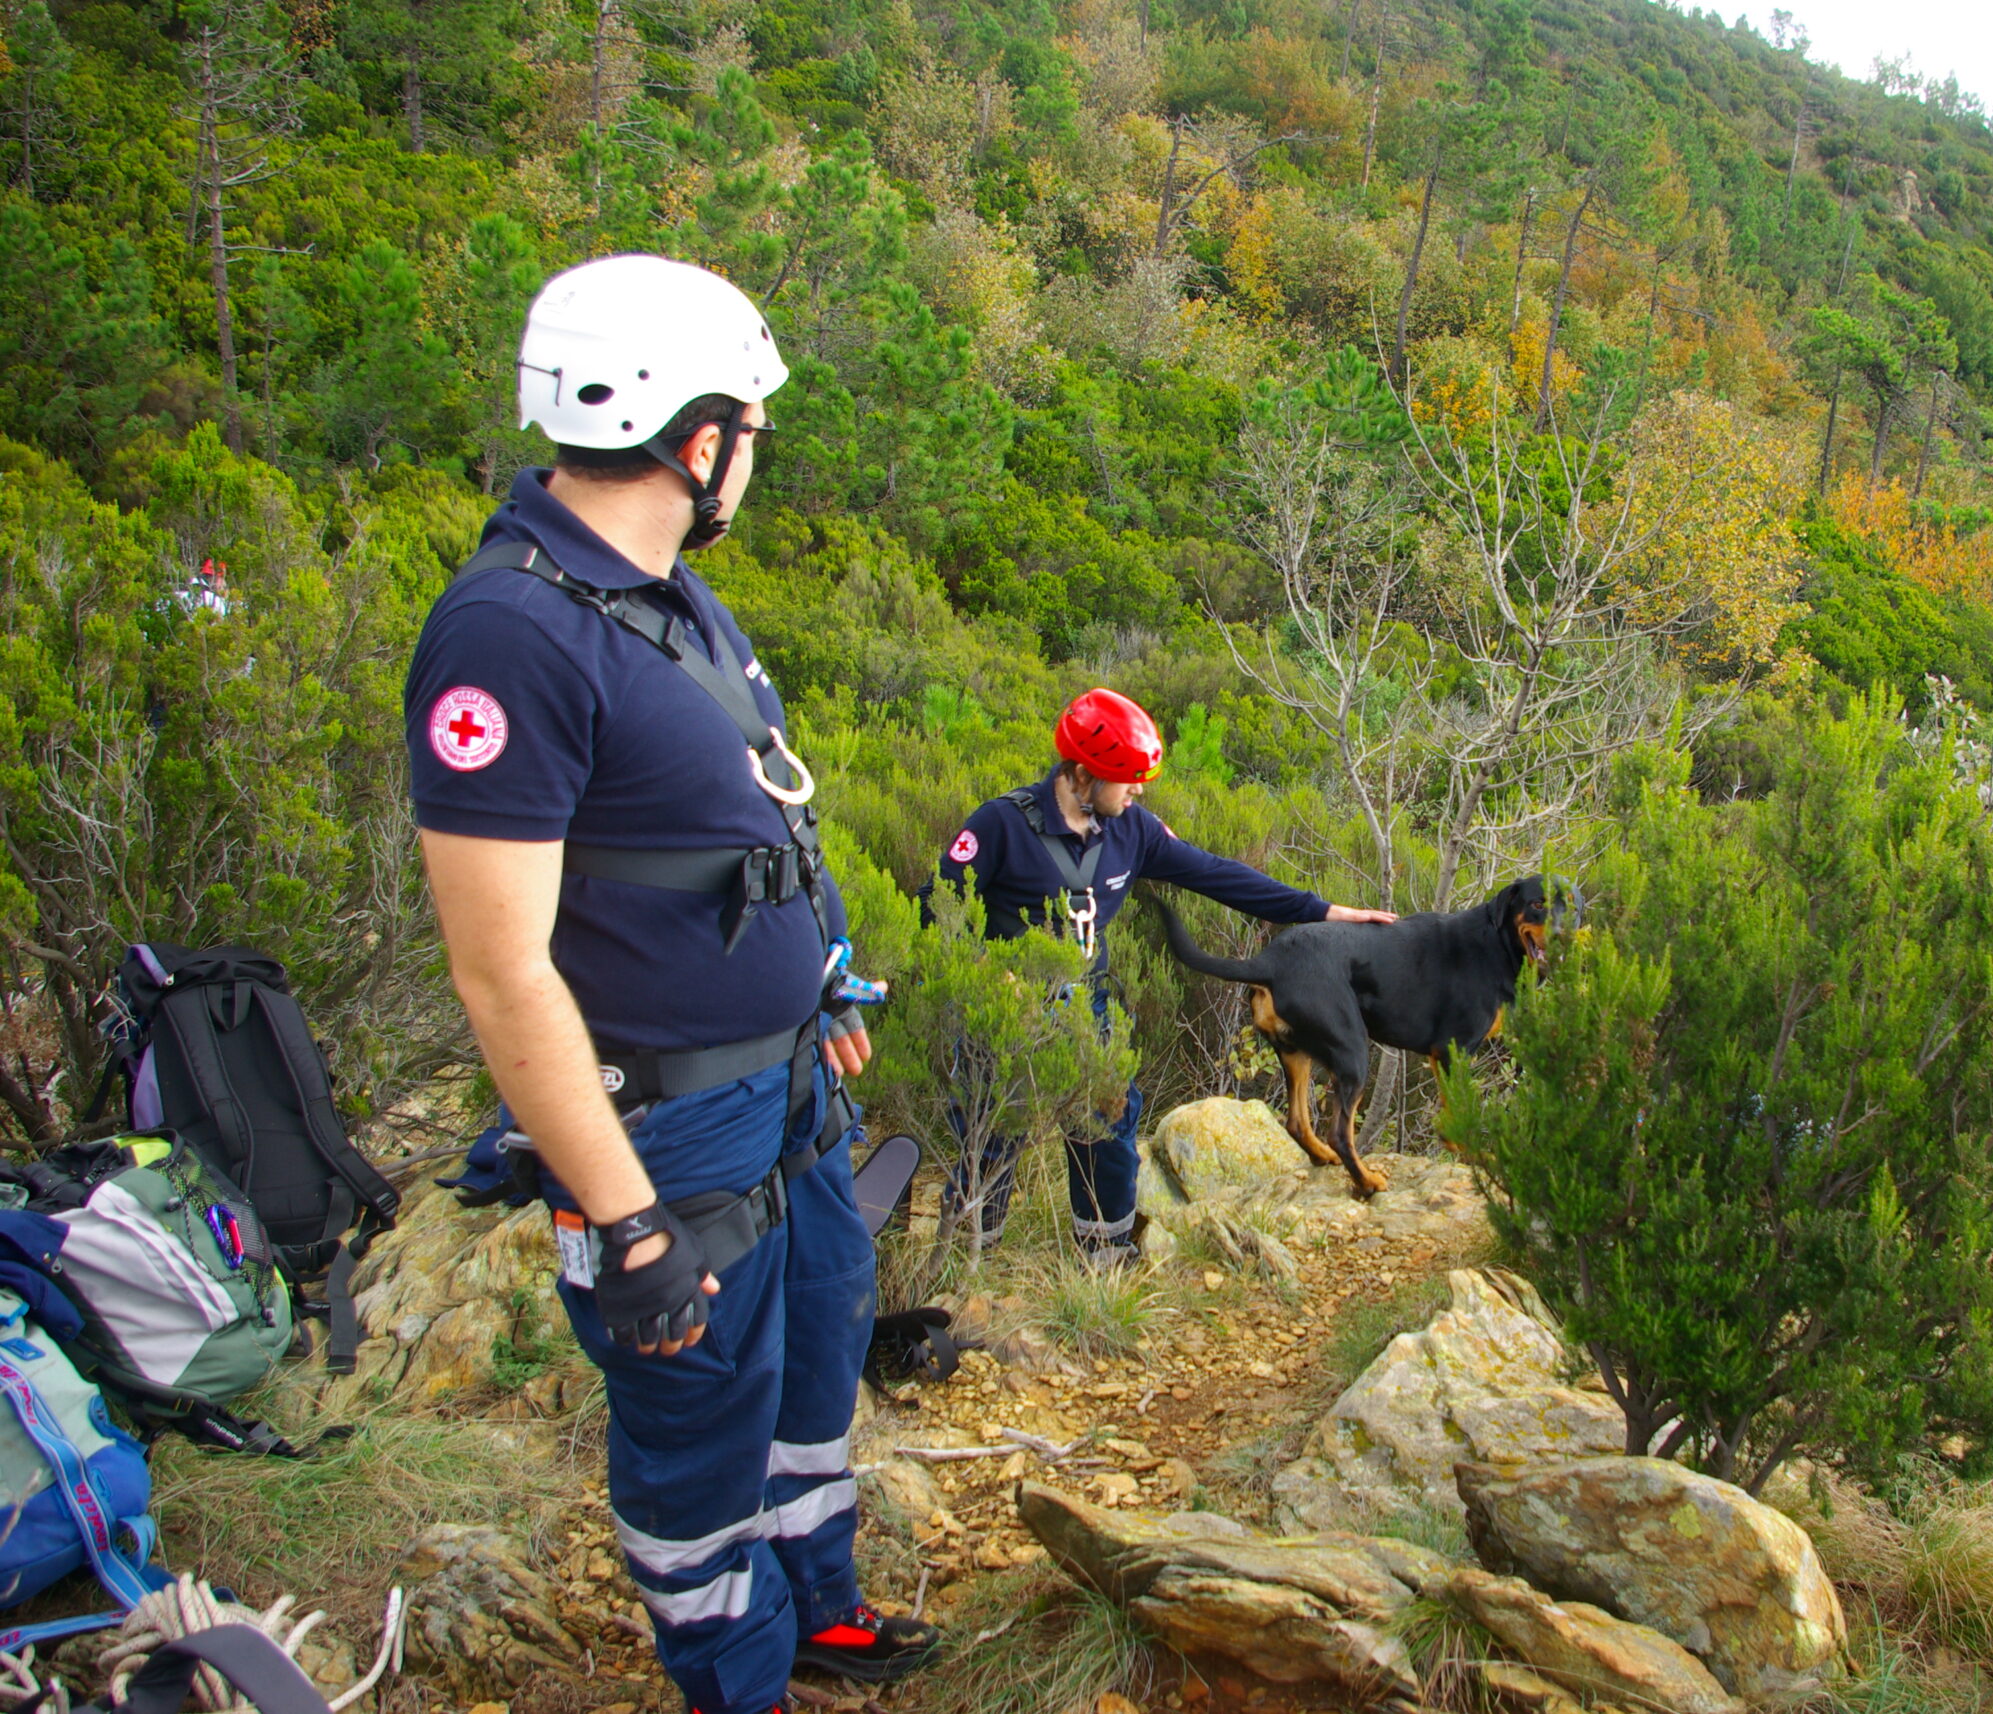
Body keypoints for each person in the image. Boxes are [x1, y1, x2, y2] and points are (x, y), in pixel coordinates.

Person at [404, 254, 936, 1714]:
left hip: (780, 1087)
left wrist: (816, 985)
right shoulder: (510, 635)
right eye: (751, 430)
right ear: (696, 436)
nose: (754, 456)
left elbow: (740, 824)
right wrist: (623, 1218)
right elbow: (501, 966)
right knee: (698, 1419)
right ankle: (736, 1677)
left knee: (818, 1347)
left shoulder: (667, 595)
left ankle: (818, 1608)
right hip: (662, 1134)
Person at [934, 688, 1395, 1263]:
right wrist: (985, 974)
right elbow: (938, 909)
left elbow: (1220, 876)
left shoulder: (1134, 830)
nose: (1137, 791)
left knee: (1109, 1117)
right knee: (995, 1129)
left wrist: (1326, 912)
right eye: (1125, 779)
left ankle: (1103, 1256)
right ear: (1082, 776)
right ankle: (968, 1260)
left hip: (1085, 1008)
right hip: (1003, 1009)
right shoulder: (1000, 824)